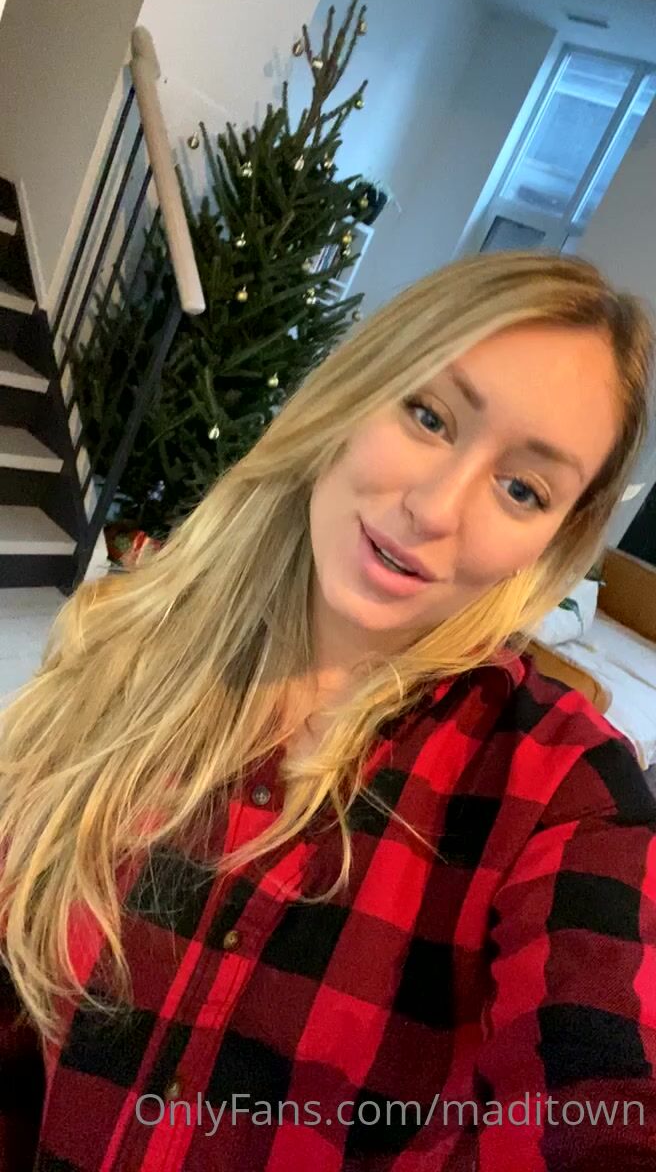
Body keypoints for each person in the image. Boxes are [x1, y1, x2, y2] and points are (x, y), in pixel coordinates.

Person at [0, 250, 655, 1172]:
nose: (434, 508)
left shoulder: (566, 795)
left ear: (551, 544)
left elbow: (598, 1103)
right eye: (429, 415)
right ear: (358, 392)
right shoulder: (126, 646)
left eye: (522, 489)